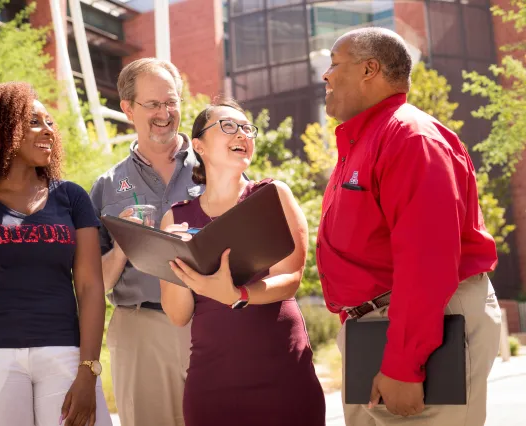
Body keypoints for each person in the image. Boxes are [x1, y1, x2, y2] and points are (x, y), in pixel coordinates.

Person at [317, 27, 502, 425]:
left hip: (426, 329)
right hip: (377, 329)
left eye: (334, 64)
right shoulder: (362, 140)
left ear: (370, 69)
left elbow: (428, 260)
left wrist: (404, 364)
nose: (326, 76)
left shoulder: (410, 138)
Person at [159, 99, 326, 426]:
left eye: (247, 128)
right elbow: (178, 315)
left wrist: (238, 295)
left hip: (282, 374)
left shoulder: (273, 194)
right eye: (228, 126)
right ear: (199, 146)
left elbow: (290, 278)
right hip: (211, 384)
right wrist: (176, 258)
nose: (242, 134)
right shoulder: (175, 217)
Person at [0, 82, 111, 426]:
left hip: (65, 354)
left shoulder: (71, 197)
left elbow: (90, 288)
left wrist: (89, 369)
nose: (49, 131)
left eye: (51, 122)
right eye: (33, 122)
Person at [89, 58, 200, 426]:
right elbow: (95, 284)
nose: (164, 114)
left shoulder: (218, 165)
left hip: (213, 321)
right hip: (141, 329)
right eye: (152, 104)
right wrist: (124, 245)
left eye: (171, 102)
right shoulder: (106, 187)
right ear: (127, 108)